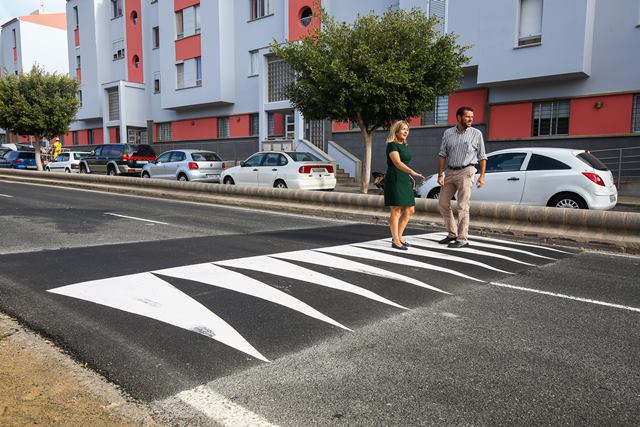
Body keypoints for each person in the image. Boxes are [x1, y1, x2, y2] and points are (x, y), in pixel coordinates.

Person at [437, 106, 487, 248]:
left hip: (467, 170)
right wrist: (440, 174)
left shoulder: (476, 134)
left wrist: (482, 176)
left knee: (462, 205)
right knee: (442, 203)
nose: (471, 119)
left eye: (472, 116)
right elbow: (442, 154)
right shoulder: (448, 133)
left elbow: (482, 156)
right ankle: (452, 233)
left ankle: (463, 238)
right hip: (450, 171)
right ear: (459, 117)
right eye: (467, 116)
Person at [384, 120, 424, 250]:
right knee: (396, 210)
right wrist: (412, 172)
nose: (406, 132)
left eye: (407, 129)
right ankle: (395, 240)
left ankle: (399, 236)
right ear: (396, 131)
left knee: (410, 209)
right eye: (403, 129)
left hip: (404, 178)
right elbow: (397, 163)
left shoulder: (404, 145)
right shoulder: (392, 145)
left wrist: (409, 174)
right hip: (395, 177)